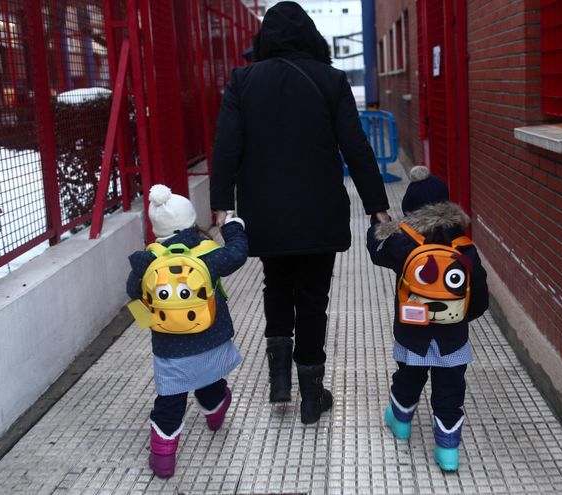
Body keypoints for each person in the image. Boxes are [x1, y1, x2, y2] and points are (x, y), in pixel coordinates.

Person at [209, 1, 391, 425]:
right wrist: (377, 207)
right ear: (311, 36)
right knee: (313, 299)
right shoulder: (330, 79)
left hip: (265, 213)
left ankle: (280, 382)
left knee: (276, 286)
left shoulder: (243, 80)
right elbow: (356, 147)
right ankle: (312, 395)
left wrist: (221, 205)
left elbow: (226, 147)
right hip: (318, 212)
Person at [366, 166, 489, 472]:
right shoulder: (464, 247)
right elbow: (480, 296)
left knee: (409, 377)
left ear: (409, 211)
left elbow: (375, 249)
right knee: (450, 391)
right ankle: (448, 450)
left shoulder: (402, 244)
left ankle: (401, 421)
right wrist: (460, 318)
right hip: (453, 340)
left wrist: (378, 224)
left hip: (413, 335)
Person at [126, 184, 248, 478]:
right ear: (191, 222)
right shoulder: (207, 254)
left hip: (170, 348)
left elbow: (132, 293)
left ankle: (163, 459)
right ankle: (215, 411)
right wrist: (232, 226)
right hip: (211, 338)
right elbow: (238, 254)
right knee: (210, 382)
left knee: (170, 402)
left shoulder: (148, 260)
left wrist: (150, 324)